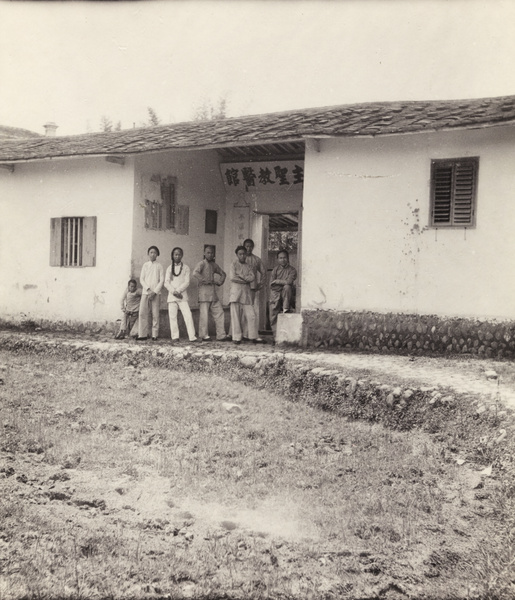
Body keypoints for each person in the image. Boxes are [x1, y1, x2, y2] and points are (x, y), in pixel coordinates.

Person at [192, 245, 229, 341]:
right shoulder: (201, 263)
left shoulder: (214, 265)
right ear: (204, 253)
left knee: (220, 312)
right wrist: (204, 280)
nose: (210, 254)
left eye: (212, 253)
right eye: (208, 252)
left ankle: (221, 335)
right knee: (204, 315)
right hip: (204, 293)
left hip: (213, 294)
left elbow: (223, 273)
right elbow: (195, 273)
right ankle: (204, 335)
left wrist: (220, 282)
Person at [164, 247, 197, 343]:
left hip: (182, 296)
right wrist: (174, 292)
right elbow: (166, 282)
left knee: (188, 315)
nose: (177, 256)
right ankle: (175, 337)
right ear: (172, 256)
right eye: (175, 254)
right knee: (172, 316)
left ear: (182, 255)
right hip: (172, 296)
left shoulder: (186, 268)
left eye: (179, 254)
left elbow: (187, 282)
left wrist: (178, 291)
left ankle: (192, 337)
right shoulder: (169, 268)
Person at [229, 245, 258, 344]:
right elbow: (233, 277)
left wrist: (241, 276)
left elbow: (252, 277)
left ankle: (251, 336)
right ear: (237, 255)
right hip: (235, 294)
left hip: (246, 294)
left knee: (251, 315)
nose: (242, 256)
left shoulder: (249, 266)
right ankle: (236, 337)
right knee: (235, 316)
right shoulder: (233, 264)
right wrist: (245, 279)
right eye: (240, 254)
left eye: (244, 254)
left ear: (246, 254)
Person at [138, 245, 164, 341]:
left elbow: (161, 280)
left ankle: (154, 335)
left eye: (155, 253)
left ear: (157, 254)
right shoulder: (145, 265)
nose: (153, 254)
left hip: (156, 293)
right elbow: (141, 279)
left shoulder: (159, 266)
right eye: (151, 252)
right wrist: (148, 290)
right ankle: (142, 334)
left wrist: (154, 292)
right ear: (148, 254)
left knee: (155, 314)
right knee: (142, 313)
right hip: (146, 292)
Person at [242, 238, 266, 343]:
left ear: (253, 247)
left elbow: (263, 272)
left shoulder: (256, 259)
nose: (248, 248)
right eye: (247, 246)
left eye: (250, 246)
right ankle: (243, 334)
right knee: (242, 312)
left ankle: (252, 334)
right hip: (242, 289)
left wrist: (261, 284)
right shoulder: (240, 259)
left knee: (252, 312)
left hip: (252, 288)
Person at [269, 249, 297, 332]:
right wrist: (281, 283)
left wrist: (277, 281)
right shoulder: (275, 270)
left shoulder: (292, 270)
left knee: (287, 287)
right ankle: (275, 335)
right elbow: (271, 284)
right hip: (275, 292)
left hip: (287, 295)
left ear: (288, 258)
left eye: (284, 258)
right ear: (277, 259)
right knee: (273, 313)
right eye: (280, 258)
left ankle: (286, 308)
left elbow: (289, 282)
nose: (283, 260)